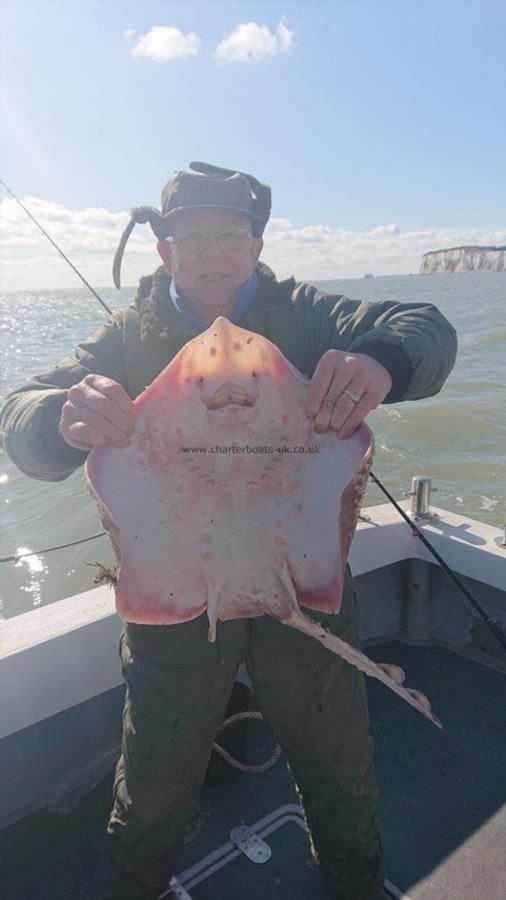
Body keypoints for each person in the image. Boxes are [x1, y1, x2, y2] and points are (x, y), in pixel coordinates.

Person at [0, 162, 457, 900]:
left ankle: (355, 884)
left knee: (338, 765)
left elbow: (425, 327)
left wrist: (383, 361)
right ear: (164, 251)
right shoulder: (128, 335)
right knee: (154, 779)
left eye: (230, 234)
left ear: (256, 244)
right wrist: (58, 418)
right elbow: (18, 412)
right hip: (179, 594)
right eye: (193, 236)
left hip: (298, 585)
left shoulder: (304, 314)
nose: (213, 251)